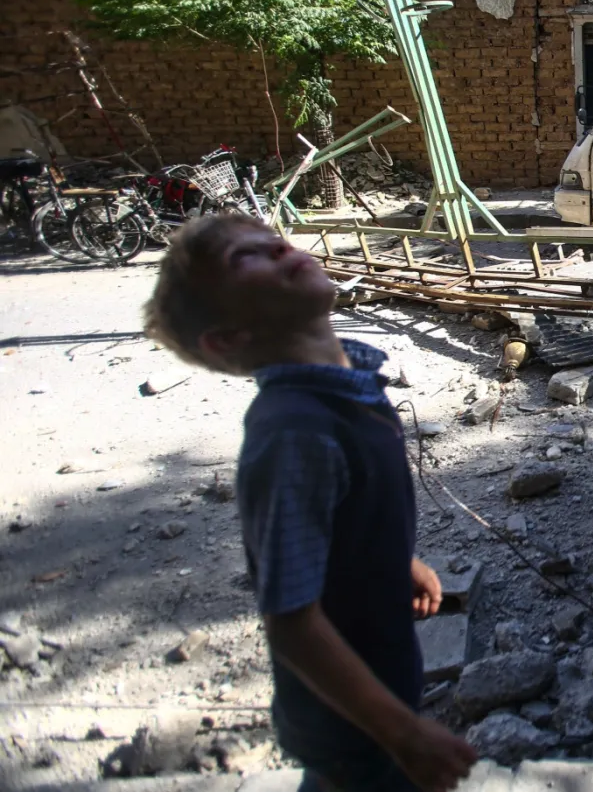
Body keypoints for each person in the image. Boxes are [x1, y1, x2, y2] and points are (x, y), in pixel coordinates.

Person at [143, 215, 477, 792]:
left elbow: (342, 515)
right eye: (242, 258)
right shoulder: (295, 432)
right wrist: (404, 734)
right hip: (350, 723)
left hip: (379, 680)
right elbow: (292, 624)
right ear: (227, 337)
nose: (275, 245)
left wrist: (398, 561)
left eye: (272, 237)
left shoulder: (352, 384)